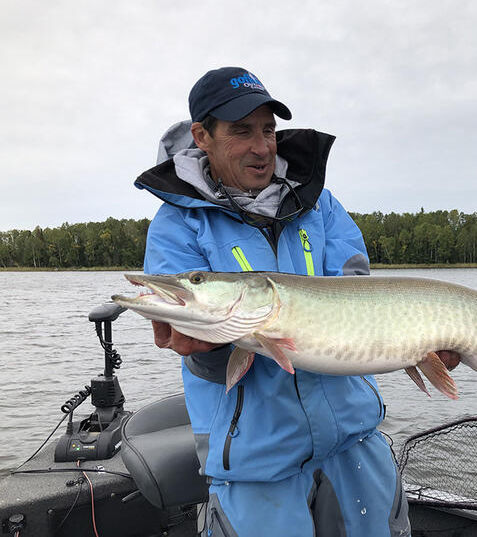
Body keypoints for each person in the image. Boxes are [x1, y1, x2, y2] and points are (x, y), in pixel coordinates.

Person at [134, 66, 412, 536]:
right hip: (255, 462)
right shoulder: (177, 225)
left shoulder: (320, 204)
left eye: (268, 130)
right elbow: (202, 357)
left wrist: (422, 345)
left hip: (354, 442)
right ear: (202, 135)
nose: (262, 147)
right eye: (242, 131)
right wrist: (203, 341)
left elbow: (359, 292)